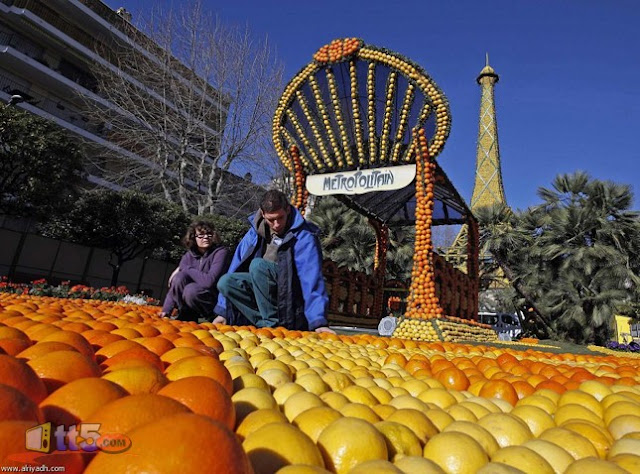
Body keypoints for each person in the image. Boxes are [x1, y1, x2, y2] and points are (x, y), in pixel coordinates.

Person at [215, 190, 334, 333]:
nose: (276, 224)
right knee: (226, 282)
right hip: (261, 289)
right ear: (263, 214)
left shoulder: (304, 236)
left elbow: (311, 279)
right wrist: (223, 311)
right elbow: (236, 265)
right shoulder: (254, 232)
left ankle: (274, 327)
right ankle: (264, 325)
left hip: (290, 295)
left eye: (280, 218)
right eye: (271, 220)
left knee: (258, 266)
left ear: (288, 210)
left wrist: (318, 321)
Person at [160, 221, 230, 321]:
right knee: (179, 278)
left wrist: (186, 268)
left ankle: (207, 318)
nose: (205, 237)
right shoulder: (188, 256)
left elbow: (209, 281)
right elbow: (175, 285)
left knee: (191, 290)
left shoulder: (220, 253)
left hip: (211, 299)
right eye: (201, 235)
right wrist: (166, 310)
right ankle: (185, 314)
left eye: (209, 234)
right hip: (189, 301)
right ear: (193, 237)